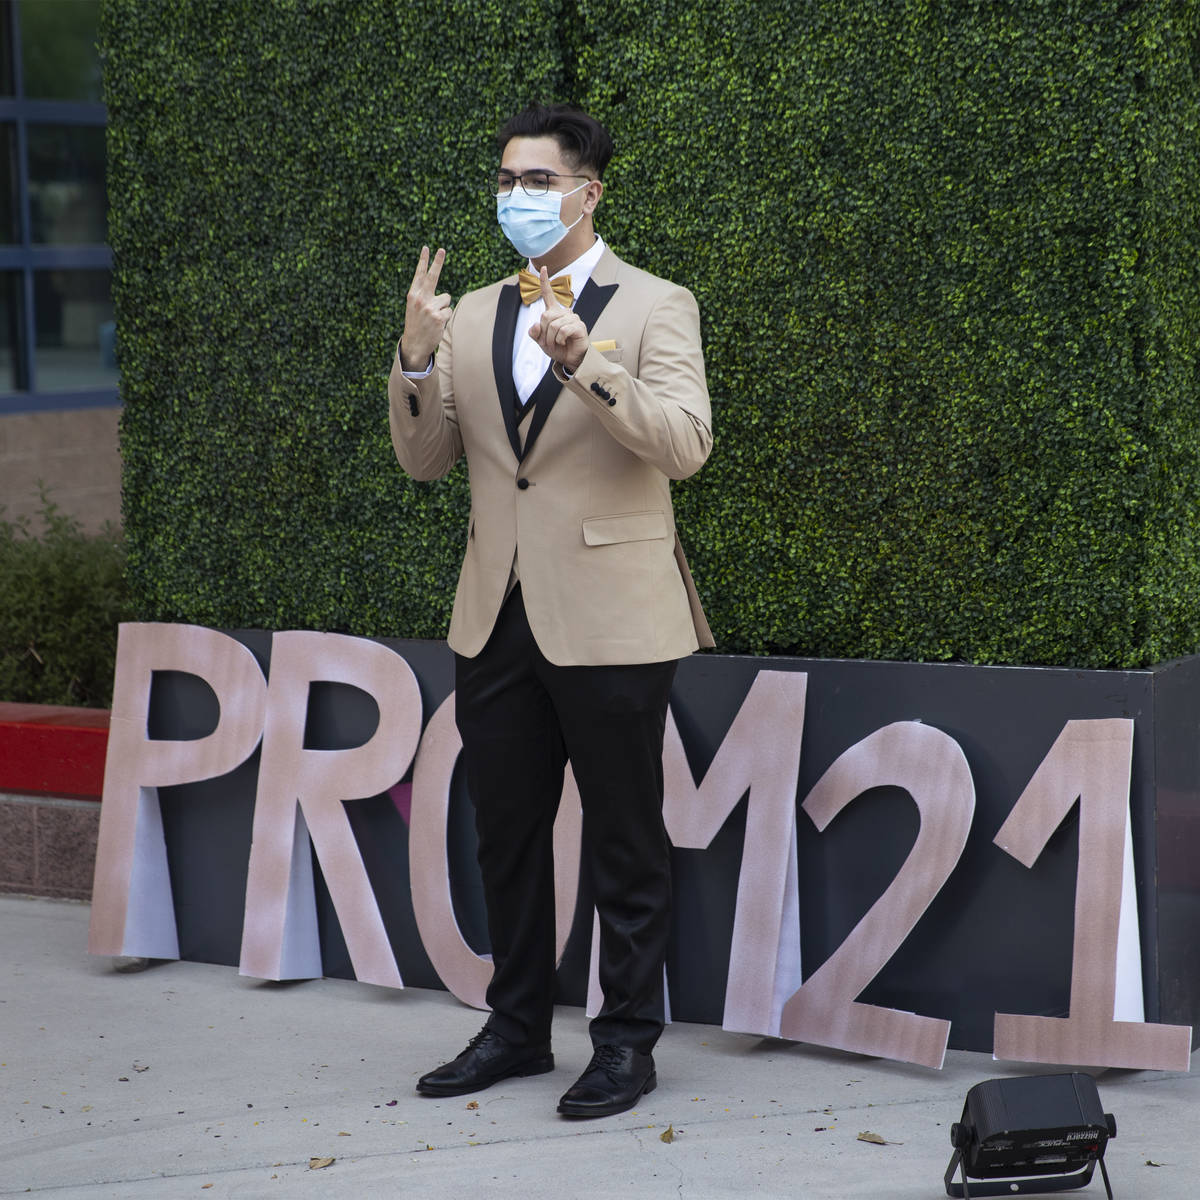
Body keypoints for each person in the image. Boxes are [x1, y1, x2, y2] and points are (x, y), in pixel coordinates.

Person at [388, 102, 713, 1119]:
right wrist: (411, 357)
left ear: (588, 191)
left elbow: (685, 445)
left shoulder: (658, 304)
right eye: (505, 181)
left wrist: (587, 365)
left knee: (625, 836)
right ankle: (518, 1028)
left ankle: (624, 1043)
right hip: (496, 611)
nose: (516, 198)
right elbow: (425, 462)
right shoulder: (474, 311)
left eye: (536, 181)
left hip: (614, 614)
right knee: (507, 834)